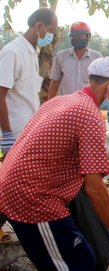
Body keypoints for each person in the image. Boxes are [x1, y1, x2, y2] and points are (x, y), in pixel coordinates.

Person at [0, 56, 109, 270]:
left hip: (15, 181)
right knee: (75, 264)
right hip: (32, 197)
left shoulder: (61, 100)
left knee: (79, 259)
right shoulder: (90, 115)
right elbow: (94, 187)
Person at [0, 7, 58, 246]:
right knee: (14, 186)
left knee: (16, 185)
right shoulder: (12, 52)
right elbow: (0, 94)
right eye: (51, 30)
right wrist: (6, 135)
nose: (52, 35)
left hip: (28, 133)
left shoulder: (32, 52)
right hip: (14, 134)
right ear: (40, 27)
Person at [48, 21, 102, 100]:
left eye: (80, 36)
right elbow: (55, 82)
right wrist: (49, 104)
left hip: (88, 104)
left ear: (88, 36)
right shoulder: (61, 56)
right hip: (65, 105)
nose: (77, 38)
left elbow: (100, 84)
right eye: (73, 36)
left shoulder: (97, 57)